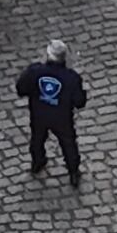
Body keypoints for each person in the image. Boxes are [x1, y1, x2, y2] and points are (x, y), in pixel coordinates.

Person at [16, 40, 87, 187]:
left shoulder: (35, 71)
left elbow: (21, 88)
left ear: (48, 55)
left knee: (37, 139)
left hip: (39, 114)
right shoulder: (71, 77)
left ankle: (37, 162)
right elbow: (80, 101)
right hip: (62, 117)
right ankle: (73, 172)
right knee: (68, 143)